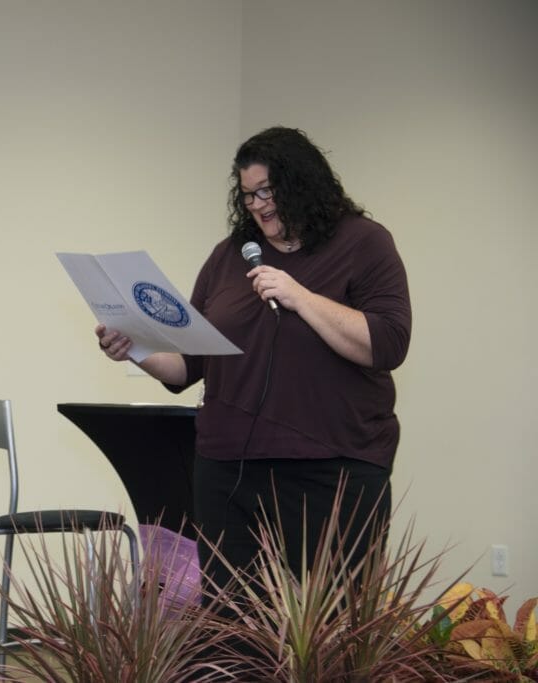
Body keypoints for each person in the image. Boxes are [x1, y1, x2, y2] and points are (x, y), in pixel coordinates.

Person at [95, 126, 411, 592]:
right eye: (248, 196)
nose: (259, 205)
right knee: (233, 621)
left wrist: (300, 296)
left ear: (304, 184)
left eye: (268, 191)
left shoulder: (364, 243)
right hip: (229, 469)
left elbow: (388, 343)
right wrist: (136, 349)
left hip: (334, 467)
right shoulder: (229, 257)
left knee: (330, 629)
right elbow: (189, 365)